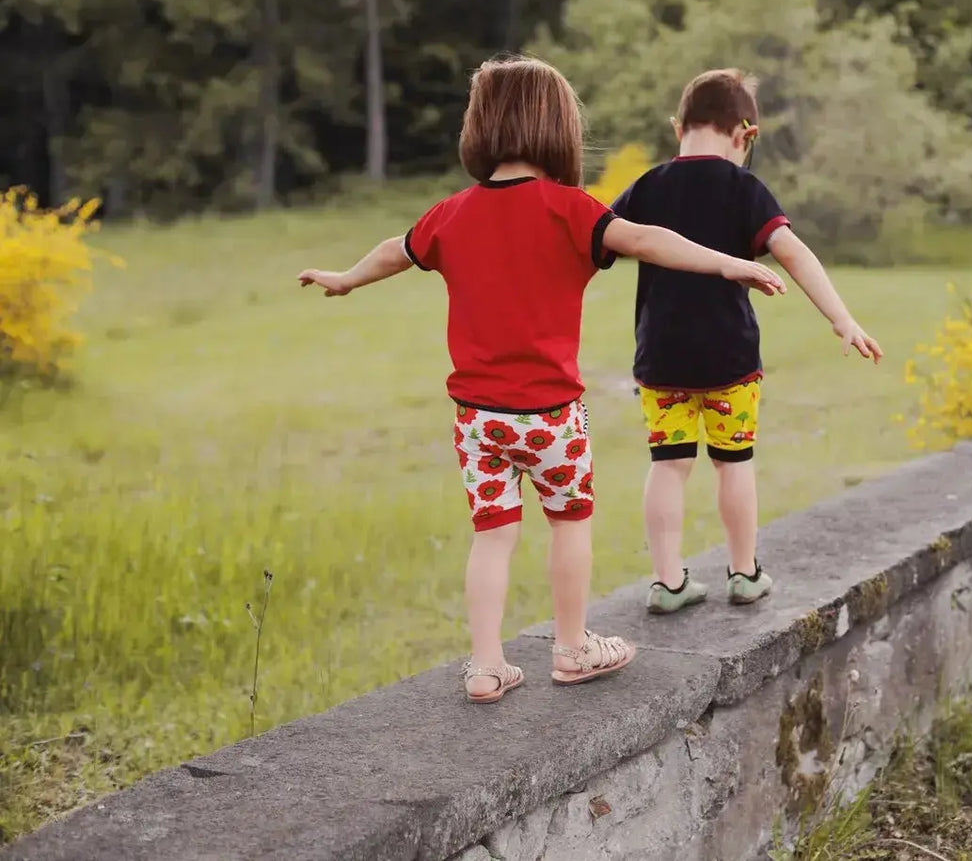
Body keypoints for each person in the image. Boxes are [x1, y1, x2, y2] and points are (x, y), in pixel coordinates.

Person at [296, 57, 786, 704]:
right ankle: (573, 646)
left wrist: (345, 277)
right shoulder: (567, 210)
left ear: (479, 128)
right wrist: (729, 265)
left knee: (492, 534)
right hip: (551, 418)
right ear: (559, 128)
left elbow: (397, 248)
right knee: (568, 522)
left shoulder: (452, 213)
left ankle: (484, 665)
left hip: (477, 419)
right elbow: (647, 239)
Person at [609, 68, 883, 615]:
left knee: (668, 465)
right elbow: (793, 252)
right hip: (730, 360)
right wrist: (841, 318)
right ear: (745, 134)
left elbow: (593, 239)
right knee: (733, 463)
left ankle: (667, 582)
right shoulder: (744, 188)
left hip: (660, 359)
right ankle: (744, 573)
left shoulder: (648, 185)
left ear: (677, 126)